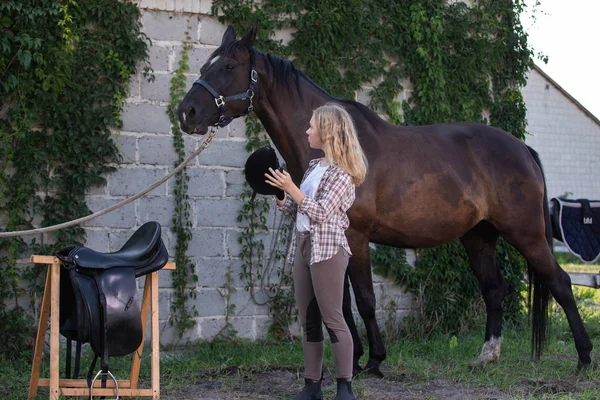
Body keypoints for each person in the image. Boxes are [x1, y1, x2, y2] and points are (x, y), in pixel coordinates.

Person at [264, 103, 368, 400]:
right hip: (303, 245)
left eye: (312, 126)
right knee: (308, 319)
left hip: (328, 251)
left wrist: (293, 189)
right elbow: (302, 209)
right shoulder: (313, 167)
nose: (307, 131)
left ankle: (345, 387)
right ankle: (312, 386)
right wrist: (286, 200)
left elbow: (322, 213)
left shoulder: (343, 175)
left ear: (327, 132)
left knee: (333, 318)